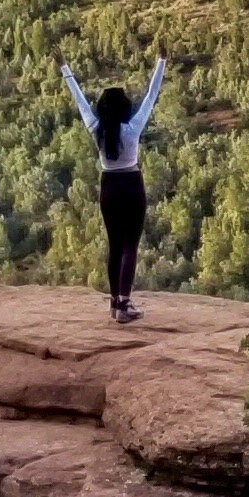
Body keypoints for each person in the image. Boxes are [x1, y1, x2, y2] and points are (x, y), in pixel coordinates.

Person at [62, 56, 165, 321]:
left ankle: (113, 304)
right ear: (123, 109)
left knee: (115, 246)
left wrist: (65, 67)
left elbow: (80, 100)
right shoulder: (132, 129)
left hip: (108, 186)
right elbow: (151, 96)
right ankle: (124, 304)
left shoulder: (97, 130)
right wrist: (161, 61)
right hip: (131, 184)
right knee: (131, 245)